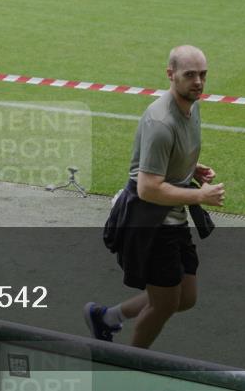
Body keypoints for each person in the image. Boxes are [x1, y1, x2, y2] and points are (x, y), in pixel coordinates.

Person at [86, 45, 224, 348]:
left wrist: (190, 167)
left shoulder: (192, 105)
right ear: (170, 74)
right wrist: (200, 196)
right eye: (190, 75)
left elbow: (168, 158)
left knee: (185, 297)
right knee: (164, 304)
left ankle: (107, 317)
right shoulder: (160, 121)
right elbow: (148, 188)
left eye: (203, 75)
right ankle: (131, 365)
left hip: (171, 214)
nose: (199, 82)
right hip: (151, 222)